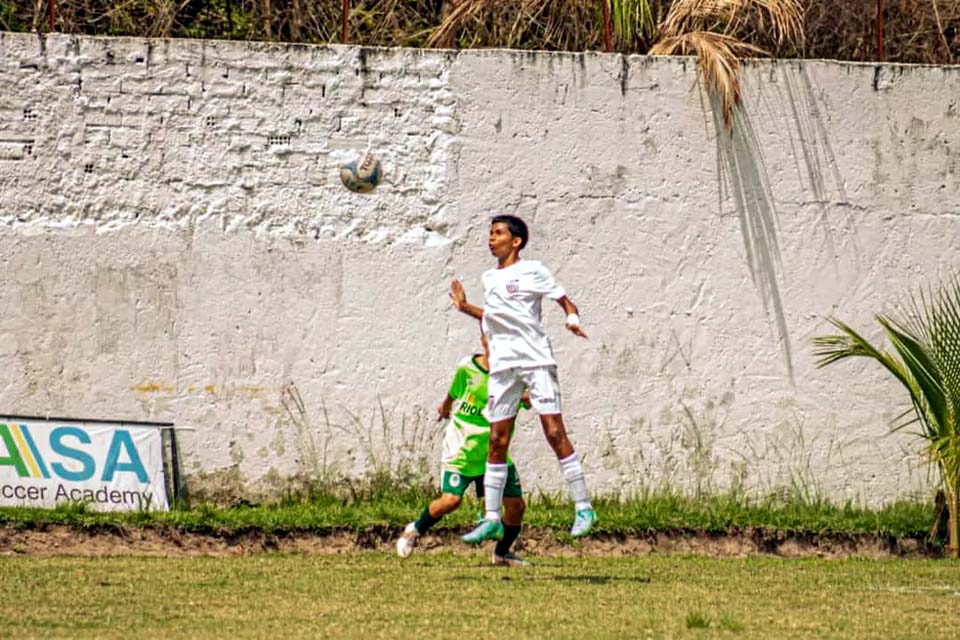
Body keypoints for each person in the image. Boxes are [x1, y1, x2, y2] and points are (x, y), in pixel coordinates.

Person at [450, 214, 596, 542]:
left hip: (535, 360)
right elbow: (497, 317)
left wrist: (571, 319)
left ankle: (584, 506)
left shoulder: (533, 271)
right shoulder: (489, 277)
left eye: (498, 233)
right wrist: (465, 307)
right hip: (503, 366)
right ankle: (491, 517)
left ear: (515, 241)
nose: (491, 239)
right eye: (490, 233)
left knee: (554, 432)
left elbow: (564, 300)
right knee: (497, 440)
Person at [396, 331, 528, 567]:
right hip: (463, 450)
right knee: (451, 501)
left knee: (516, 507)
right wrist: (445, 407)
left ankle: (501, 553)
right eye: (492, 339)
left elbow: (527, 398)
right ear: (484, 341)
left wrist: (530, 396)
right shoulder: (468, 368)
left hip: (495, 454)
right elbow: (453, 393)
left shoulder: (513, 376)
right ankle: (413, 530)